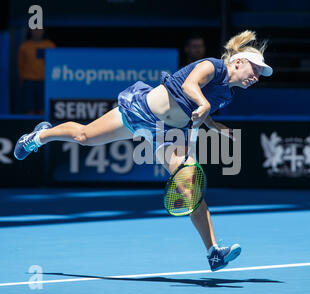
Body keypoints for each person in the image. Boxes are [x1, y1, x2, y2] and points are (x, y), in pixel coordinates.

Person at [13, 30, 273, 272]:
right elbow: (189, 86)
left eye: (260, 73)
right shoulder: (212, 66)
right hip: (141, 112)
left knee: (190, 188)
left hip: (169, 134)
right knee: (84, 136)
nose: (257, 76)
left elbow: (200, 111)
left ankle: (213, 252)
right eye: (255, 68)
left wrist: (214, 125)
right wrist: (204, 103)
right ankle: (39, 136)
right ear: (238, 62)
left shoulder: (227, 94)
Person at [18, 28, 56, 114]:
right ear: (30, 31)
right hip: (29, 81)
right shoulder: (24, 46)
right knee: (29, 107)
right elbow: (21, 65)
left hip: (45, 82)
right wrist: (22, 80)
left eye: (39, 29)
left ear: (43, 31)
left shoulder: (50, 45)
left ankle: (44, 127)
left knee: (44, 108)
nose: (37, 32)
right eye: (34, 29)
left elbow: (54, 64)